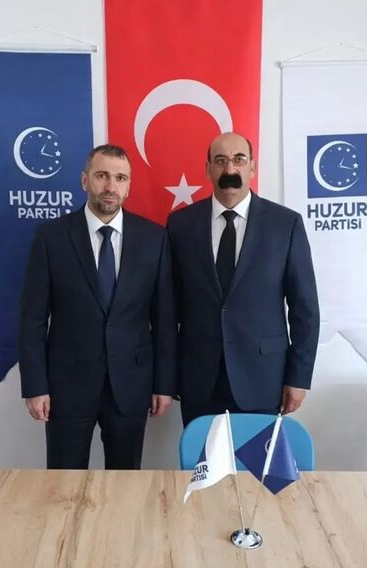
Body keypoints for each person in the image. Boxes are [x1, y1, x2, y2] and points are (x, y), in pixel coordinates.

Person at [19, 144, 176, 469]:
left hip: (130, 385)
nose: (110, 186)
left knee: (125, 481)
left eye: (120, 178)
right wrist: (35, 386)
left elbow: (163, 319)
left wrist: (163, 384)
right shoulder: (51, 238)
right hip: (67, 387)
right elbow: (32, 319)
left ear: (128, 186)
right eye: (102, 176)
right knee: (63, 482)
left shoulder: (154, 239)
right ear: (84, 180)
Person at [167, 132, 320, 426]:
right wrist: (167, 376)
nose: (230, 169)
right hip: (199, 380)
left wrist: (299, 378)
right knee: (204, 457)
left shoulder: (285, 224)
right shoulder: (180, 225)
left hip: (264, 379)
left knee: (257, 459)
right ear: (208, 169)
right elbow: (168, 309)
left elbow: (305, 309)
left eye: (239, 159)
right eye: (220, 160)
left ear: (253, 167)